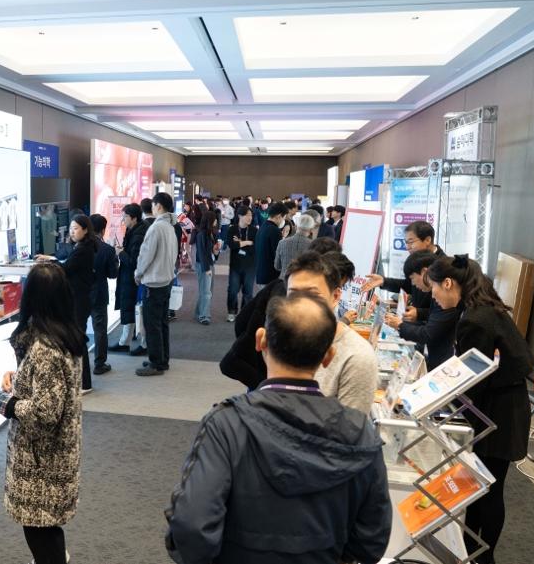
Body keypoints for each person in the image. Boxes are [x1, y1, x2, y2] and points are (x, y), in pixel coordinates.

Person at [166, 291, 392, 564]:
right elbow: (372, 540)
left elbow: (191, 527)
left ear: (260, 340)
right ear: (328, 356)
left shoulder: (226, 424)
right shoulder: (360, 432)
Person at [428, 255, 534, 564]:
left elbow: (473, 378)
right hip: (500, 404)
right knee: (480, 483)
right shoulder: (480, 308)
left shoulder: (475, 320)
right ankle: (471, 547)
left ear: (448, 283)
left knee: (489, 486)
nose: (433, 295)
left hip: (499, 412)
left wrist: (439, 401)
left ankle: (484, 556)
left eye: (434, 287)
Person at [0, 263, 83, 564]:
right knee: (46, 526)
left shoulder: (46, 348)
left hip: (41, 458)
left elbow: (45, 414)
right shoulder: (65, 335)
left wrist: (1, 401)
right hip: (56, 453)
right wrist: (21, 377)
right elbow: (53, 390)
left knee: (39, 527)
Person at [220, 240, 341, 390]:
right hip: (265, 376)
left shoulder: (278, 287)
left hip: (259, 373)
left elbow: (242, 322)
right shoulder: (289, 307)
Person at [284, 252, 378, 414]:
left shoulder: (357, 356)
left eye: (313, 294)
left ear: (335, 296)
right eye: (293, 294)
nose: (301, 302)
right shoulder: (283, 339)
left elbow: (351, 426)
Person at [36, 214, 98, 393]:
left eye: (76, 228)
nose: (72, 232)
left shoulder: (83, 249)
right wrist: (51, 259)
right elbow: (68, 264)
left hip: (79, 300)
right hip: (79, 298)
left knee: (78, 340)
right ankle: (80, 381)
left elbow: (66, 268)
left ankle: (85, 383)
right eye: (71, 228)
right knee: (77, 339)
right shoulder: (82, 246)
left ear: (85, 230)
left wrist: (47, 263)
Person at [382, 251, 459, 369]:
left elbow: (429, 333)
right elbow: (436, 315)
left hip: (443, 364)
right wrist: (419, 313)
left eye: (412, 278)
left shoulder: (446, 296)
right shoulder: (442, 293)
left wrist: (400, 325)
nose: (413, 284)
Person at [362, 220, 445, 321]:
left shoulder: (443, 266)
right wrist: (384, 281)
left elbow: (445, 311)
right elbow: (409, 285)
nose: (407, 247)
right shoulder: (417, 259)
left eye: (411, 242)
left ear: (427, 240)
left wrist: (419, 313)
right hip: (414, 323)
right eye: (406, 242)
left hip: (431, 325)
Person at [134, 192, 179, 377]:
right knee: (162, 323)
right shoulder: (170, 227)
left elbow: (146, 256)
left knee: (152, 325)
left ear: (158, 206)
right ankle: (162, 360)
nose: (152, 208)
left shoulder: (156, 228)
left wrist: (138, 274)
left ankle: (155, 363)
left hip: (153, 283)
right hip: (166, 280)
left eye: (153, 205)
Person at [110, 203, 148, 354]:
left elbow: (134, 261)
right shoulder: (134, 230)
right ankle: (124, 341)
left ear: (134, 218)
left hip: (133, 278)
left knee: (137, 310)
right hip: (129, 277)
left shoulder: (138, 235)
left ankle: (143, 344)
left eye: (125, 216)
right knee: (129, 309)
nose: (123, 219)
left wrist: (120, 253)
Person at [89, 214, 118, 375]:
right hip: (99, 293)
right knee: (100, 329)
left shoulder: (78, 246)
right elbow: (113, 274)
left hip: (80, 294)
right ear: (103, 230)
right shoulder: (107, 249)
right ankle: (99, 364)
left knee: (78, 328)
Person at [225, 205, 257, 323]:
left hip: (250, 266)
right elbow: (231, 245)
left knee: (248, 292)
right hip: (235, 266)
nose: (250, 217)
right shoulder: (232, 229)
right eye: (247, 215)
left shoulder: (254, 230)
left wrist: (240, 243)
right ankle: (231, 312)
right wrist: (247, 242)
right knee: (233, 290)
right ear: (240, 216)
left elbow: (255, 248)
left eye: (251, 215)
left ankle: (245, 313)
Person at [194, 211, 220, 326]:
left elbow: (211, 252)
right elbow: (201, 253)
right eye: (215, 219)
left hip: (210, 263)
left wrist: (216, 251)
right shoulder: (201, 234)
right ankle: (204, 316)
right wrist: (207, 269)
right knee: (206, 292)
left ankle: (198, 312)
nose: (216, 221)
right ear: (210, 220)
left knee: (207, 291)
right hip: (204, 265)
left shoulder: (212, 233)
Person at [274, 213, 317, 279]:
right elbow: (314, 269)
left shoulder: (282, 242)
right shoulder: (313, 245)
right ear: (311, 229)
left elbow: (277, 266)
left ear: (296, 226)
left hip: (284, 280)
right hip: (304, 281)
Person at [254, 202, 287, 287]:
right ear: (279, 216)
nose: (283, 221)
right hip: (271, 277)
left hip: (261, 273)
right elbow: (278, 255)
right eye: (284, 218)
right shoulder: (274, 230)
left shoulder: (263, 227)